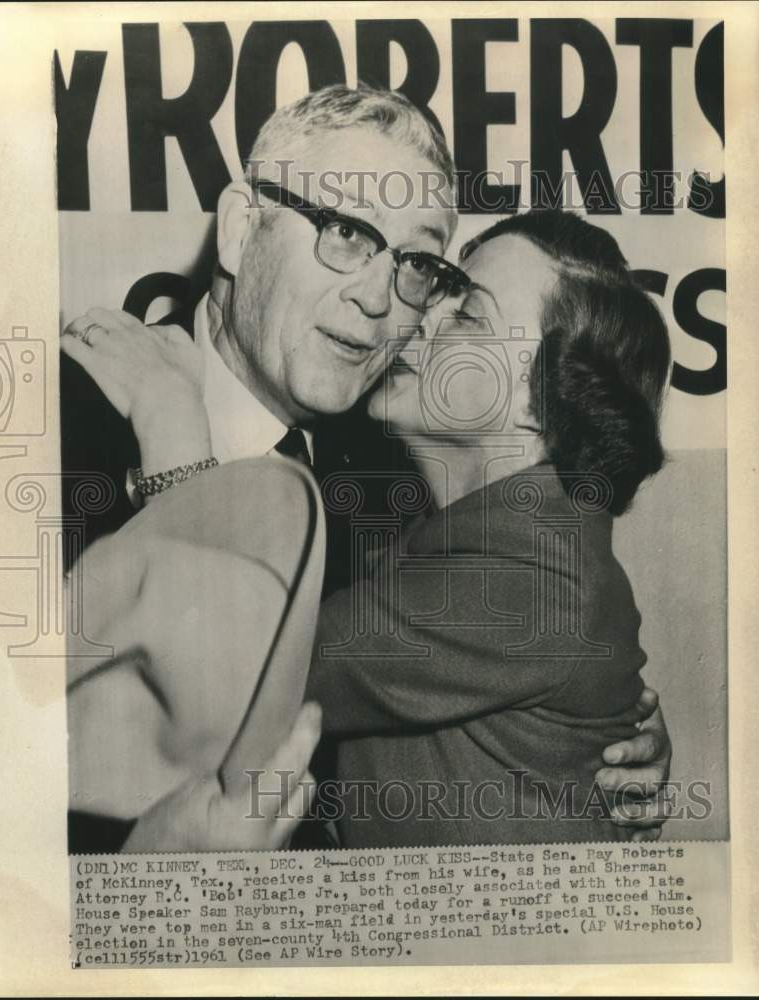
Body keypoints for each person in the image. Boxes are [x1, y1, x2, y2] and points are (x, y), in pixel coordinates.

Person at [61, 85, 670, 850]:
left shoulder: (388, 482)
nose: (389, 303)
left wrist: (614, 721)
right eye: (347, 232)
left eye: (417, 263)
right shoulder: (63, 426)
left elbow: (279, 674)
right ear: (240, 229)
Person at [306, 208, 672, 845]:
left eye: (469, 314)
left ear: (549, 401)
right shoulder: (457, 532)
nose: (420, 319)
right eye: (442, 295)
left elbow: (243, 677)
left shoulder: (535, 579)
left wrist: (174, 446)